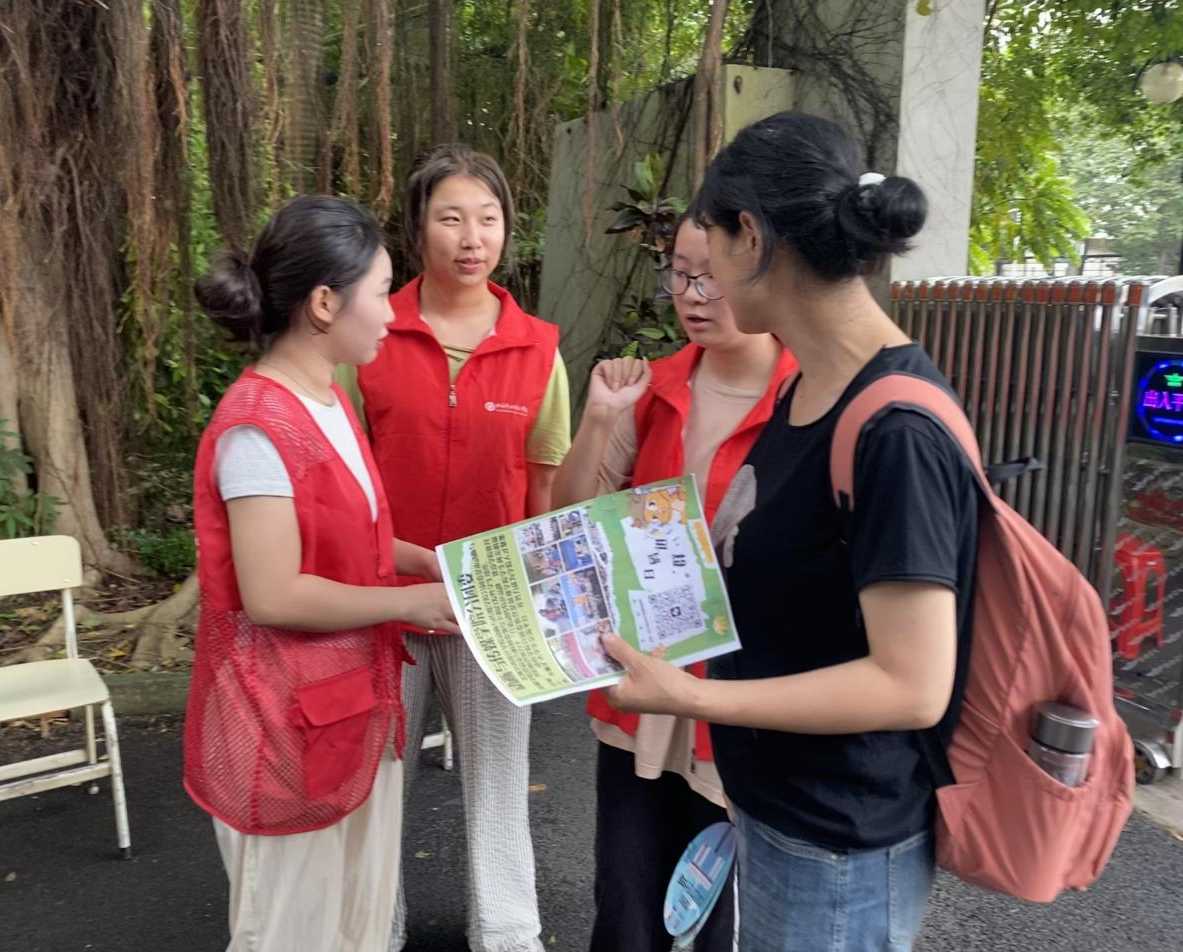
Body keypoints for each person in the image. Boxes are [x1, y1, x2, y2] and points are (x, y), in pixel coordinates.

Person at [600, 111, 979, 952]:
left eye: (708, 250)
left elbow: (911, 684)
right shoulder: (808, 390)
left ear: (750, 235)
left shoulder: (894, 431)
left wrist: (692, 697)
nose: (700, 282)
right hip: (776, 811)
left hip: (839, 844)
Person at [186, 195, 460, 952]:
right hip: (279, 726)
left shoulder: (330, 399)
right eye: (382, 293)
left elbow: (340, 534)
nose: (392, 314)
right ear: (323, 303)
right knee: (292, 932)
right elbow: (273, 593)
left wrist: (416, 559)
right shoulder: (256, 427)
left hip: (351, 713)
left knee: (358, 927)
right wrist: (405, 600)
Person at [342, 145, 570, 952]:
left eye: (488, 218)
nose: (472, 238)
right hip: (382, 603)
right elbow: (340, 474)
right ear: (417, 229)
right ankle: (370, 930)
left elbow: (543, 486)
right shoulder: (370, 331)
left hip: (493, 608)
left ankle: (506, 933)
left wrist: (541, 606)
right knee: (374, 784)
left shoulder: (538, 348)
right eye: (451, 218)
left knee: (500, 782)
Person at [550, 215, 794, 952]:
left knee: (715, 915)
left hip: (743, 701)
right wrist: (599, 420)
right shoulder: (651, 389)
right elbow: (567, 522)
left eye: (709, 276)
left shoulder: (807, 399)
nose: (691, 294)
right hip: (644, 689)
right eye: (680, 275)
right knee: (626, 902)